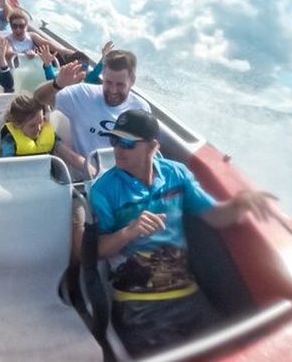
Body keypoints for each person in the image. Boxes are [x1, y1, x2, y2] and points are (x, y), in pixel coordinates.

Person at [89, 109, 277, 357]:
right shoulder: (103, 190)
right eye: (114, 140)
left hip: (190, 296)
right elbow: (98, 251)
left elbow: (214, 216)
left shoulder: (176, 174)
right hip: (138, 306)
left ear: (152, 146)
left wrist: (240, 204)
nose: (118, 149)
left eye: (127, 143)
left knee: (238, 353)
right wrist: (128, 232)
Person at [0, 93, 91, 260]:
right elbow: (8, 169)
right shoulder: (9, 141)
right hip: (21, 193)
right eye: (32, 125)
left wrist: (92, 169)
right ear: (17, 125)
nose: (39, 128)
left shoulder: (49, 136)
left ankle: (70, 260)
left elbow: (71, 157)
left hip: (48, 190)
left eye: (41, 121)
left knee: (79, 213)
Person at [34, 49, 151, 165]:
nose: (113, 90)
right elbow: (39, 97)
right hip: (82, 171)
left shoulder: (140, 108)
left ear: (132, 81)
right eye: (108, 82)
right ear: (103, 75)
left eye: (120, 84)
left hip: (119, 173)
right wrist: (57, 84)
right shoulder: (82, 94)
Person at [40, 41, 113, 84]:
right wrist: (47, 65)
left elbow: (97, 70)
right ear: (70, 66)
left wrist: (104, 56)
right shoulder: (62, 75)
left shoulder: (86, 79)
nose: (82, 69)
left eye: (85, 66)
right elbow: (51, 78)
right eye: (78, 66)